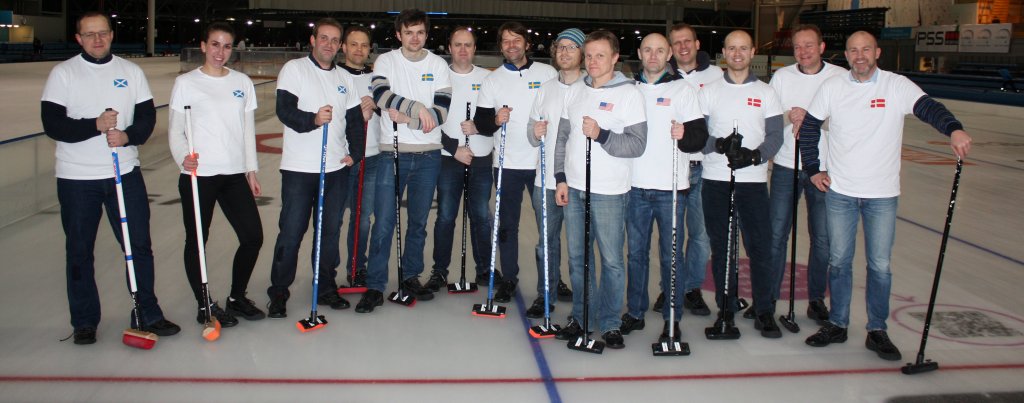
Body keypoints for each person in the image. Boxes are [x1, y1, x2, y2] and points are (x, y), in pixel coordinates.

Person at [800, 31, 973, 361]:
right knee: (838, 262)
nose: (859, 55)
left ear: (877, 52)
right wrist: (813, 168)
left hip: (882, 194)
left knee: (879, 266)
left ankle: (877, 329)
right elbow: (809, 127)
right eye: (853, 50)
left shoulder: (896, 85)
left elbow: (928, 108)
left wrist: (954, 128)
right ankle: (837, 323)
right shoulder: (833, 87)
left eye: (865, 49)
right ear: (846, 55)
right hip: (841, 192)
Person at [40, 11, 180, 344]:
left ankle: (147, 311)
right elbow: (53, 125)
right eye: (89, 35)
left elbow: (146, 118)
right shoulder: (63, 74)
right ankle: (85, 320)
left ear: (112, 35)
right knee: (79, 251)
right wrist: (95, 125)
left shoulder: (131, 72)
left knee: (139, 247)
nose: (97, 40)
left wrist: (128, 136)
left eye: (102, 33)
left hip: (124, 173)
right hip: (77, 179)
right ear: (78, 39)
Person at [552, 30, 647, 349]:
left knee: (610, 260)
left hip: (609, 192)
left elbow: (637, 144)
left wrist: (603, 135)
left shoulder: (630, 93)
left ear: (615, 57)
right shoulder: (575, 90)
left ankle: (609, 322)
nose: (593, 61)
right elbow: (562, 138)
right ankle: (581, 316)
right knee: (578, 259)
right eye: (589, 55)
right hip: (575, 189)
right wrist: (560, 177)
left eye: (600, 55)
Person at [168, 22, 266, 327]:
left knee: (252, 237)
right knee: (197, 241)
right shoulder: (186, 83)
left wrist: (251, 169)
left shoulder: (242, 82)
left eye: (226, 46)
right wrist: (184, 159)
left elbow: (247, 130)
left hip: (234, 173)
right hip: (200, 175)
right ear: (203, 46)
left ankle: (237, 297)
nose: (220, 52)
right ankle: (204, 304)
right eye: (214, 44)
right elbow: (175, 129)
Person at [266, 18, 365, 318]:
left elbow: (355, 121)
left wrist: (356, 153)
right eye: (324, 38)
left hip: (335, 170)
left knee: (329, 232)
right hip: (299, 169)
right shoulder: (295, 69)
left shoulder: (344, 78)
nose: (330, 44)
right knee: (292, 232)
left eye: (335, 40)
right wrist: (312, 120)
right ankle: (280, 292)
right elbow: (284, 110)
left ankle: (324, 287)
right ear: (313, 40)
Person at [359, 9, 452, 312]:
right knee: (384, 221)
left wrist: (411, 119)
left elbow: (441, 112)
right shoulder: (386, 61)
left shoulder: (438, 64)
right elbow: (381, 95)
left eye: (420, 32)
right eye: (409, 32)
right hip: (393, 154)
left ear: (427, 34)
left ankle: (410, 275)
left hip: (429, 155)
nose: (415, 38)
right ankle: (375, 284)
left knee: (418, 223)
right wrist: (416, 107)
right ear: (399, 35)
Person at [622, 33, 708, 340]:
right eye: (648, 50)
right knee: (636, 255)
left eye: (660, 50)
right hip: (634, 188)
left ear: (669, 53)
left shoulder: (683, 90)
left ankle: (673, 318)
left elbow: (699, 137)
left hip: (671, 189)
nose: (654, 55)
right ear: (640, 53)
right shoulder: (628, 89)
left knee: (671, 256)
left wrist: (684, 133)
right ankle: (635, 312)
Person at [699, 30, 784, 339]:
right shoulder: (708, 91)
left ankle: (764, 310)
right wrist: (719, 145)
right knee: (722, 247)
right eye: (732, 48)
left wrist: (754, 156)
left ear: (753, 52)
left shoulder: (767, 92)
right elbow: (697, 138)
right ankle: (726, 308)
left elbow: (776, 136)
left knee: (760, 247)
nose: (737, 53)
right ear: (723, 51)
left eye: (743, 48)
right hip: (716, 181)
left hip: (753, 182)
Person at [766, 24, 846, 325]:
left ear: (822, 47)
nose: (803, 51)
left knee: (822, 237)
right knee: (776, 234)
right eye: (798, 46)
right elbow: (770, 117)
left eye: (809, 45)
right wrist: (790, 116)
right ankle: (768, 298)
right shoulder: (782, 77)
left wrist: (814, 121)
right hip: (787, 165)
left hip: (824, 169)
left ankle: (815, 299)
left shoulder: (839, 77)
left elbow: (849, 121)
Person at [472, 21, 557, 303]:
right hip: (507, 164)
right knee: (507, 225)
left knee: (549, 227)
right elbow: (482, 123)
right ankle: (509, 277)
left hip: (540, 163)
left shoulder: (547, 73)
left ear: (527, 43)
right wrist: (495, 120)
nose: (511, 45)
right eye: (506, 41)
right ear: (501, 47)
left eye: (516, 39)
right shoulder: (492, 80)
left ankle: (552, 279)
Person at [423, 27, 494, 291]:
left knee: (480, 216)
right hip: (448, 159)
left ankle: (485, 269)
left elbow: (498, 118)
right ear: (449, 48)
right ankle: (439, 271)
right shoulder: (438, 78)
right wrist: (454, 148)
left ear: (475, 48)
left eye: (468, 45)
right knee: (445, 216)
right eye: (457, 45)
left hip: (481, 159)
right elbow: (428, 120)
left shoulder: (488, 78)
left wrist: (479, 127)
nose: (463, 50)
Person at [660, 23, 723, 316]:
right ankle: (668, 287)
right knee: (670, 232)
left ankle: (691, 288)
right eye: (677, 43)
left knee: (699, 234)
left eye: (688, 41)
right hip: (671, 166)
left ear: (697, 44)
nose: (683, 47)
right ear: (671, 48)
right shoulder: (661, 75)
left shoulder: (716, 76)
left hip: (704, 167)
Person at [524, 27, 587, 318]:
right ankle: (545, 294)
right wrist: (534, 133)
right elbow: (530, 131)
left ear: (582, 53)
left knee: (578, 249)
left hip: (578, 183)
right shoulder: (545, 88)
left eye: (571, 47)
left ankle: (583, 305)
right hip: (545, 181)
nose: (564, 52)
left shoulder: (591, 87)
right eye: (560, 47)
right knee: (546, 243)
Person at [338, 25, 379, 289]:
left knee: (362, 218)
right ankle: (326, 270)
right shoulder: (335, 75)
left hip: (371, 156)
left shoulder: (377, 78)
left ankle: (357, 268)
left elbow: (390, 110)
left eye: (364, 45)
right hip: (341, 159)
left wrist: (377, 107)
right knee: (332, 218)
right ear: (344, 47)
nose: (359, 50)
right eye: (354, 44)